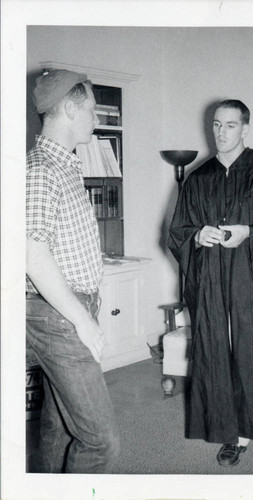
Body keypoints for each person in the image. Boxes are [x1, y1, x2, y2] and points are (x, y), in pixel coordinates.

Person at [168, 99, 253, 474]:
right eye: (216, 124)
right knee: (221, 356)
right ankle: (235, 434)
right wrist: (198, 236)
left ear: (245, 128)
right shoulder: (198, 177)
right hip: (213, 281)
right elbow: (178, 232)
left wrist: (249, 233)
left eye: (230, 125)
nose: (221, 132)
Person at [26, 69, 120, 473]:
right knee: (102, 442)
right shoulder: (42, 168)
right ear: (68, 108)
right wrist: (81, 320)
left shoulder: (63, 165)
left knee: (60, 428)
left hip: (65, 310)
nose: (96, 120)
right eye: (91, 111)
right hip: (59, 316)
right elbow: (31, 251)